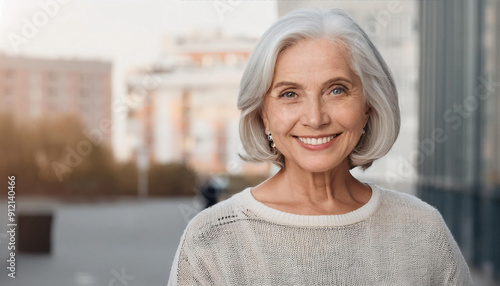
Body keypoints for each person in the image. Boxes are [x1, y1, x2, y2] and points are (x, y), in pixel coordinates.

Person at [168, 8, 472, 285]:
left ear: (369, 105)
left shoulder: (423, 231)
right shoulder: (211, 240)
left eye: (336, 90)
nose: (315, 118)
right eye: (289, 94)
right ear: (263, 114)